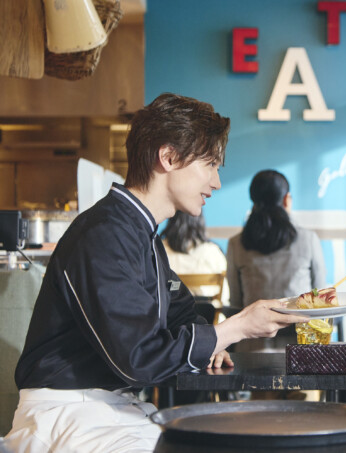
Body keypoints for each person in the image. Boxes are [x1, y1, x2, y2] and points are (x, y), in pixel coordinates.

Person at [5, 93, 308, 452]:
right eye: (210, 164)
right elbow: (139, 358)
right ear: (168, 158)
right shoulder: (104, 234)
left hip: (108, 410)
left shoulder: (141, 235)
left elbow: (181, 314)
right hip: (68, 414)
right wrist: (236, 327)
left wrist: (215, 341)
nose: (216, 182)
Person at [227, 169, 326, 352]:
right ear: (286, 199)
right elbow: (319, 300)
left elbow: (236, 303)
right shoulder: (309, 239)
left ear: (253, 201)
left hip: (250, 351)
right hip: (301, 351)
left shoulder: (236, 244)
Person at [161, 210, 228, 305]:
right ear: (200, 221)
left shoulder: (159, 250)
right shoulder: (213, 252)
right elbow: (225, 296)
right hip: (208, 313)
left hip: (170, 312)